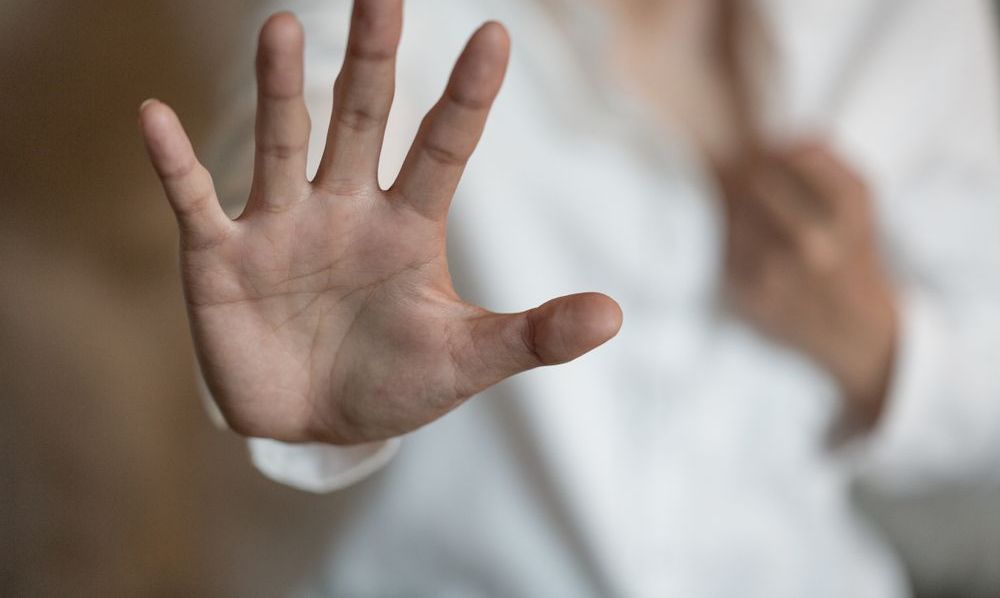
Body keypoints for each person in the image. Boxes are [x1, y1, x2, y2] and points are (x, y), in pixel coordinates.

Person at [139, 0, 1000, 595]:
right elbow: (293, 138)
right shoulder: (383, 20)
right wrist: (305, 358)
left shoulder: (912, 27)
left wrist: (880, 343)